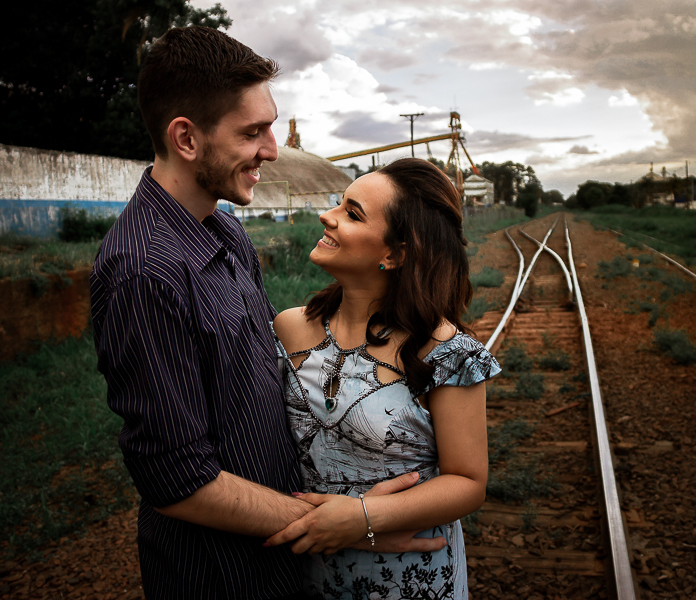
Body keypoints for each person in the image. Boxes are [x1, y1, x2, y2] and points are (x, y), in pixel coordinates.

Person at [91, 27, 436, 600]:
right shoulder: (143, 270)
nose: (272, 150)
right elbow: (175, 481)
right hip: (221, 577)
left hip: (278, 561)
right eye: (252, 132)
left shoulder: (223, 230)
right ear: (186, 138)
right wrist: (340, 527)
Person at [267, 158, 501, 599]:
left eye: (352, 213)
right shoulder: (288, 327)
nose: (327, 215)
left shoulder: (446, 353)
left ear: (394, 253)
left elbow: (468, 483)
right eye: (339, 203)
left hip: (409, 577)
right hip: (303, 570)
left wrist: (363, 518)